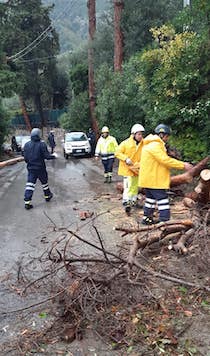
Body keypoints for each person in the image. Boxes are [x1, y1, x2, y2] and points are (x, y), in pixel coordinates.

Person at [139, 124, 193, 224]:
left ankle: (147, 219)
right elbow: (165, 160)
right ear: (161, 135)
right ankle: (165, 221)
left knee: (150, 199)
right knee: (163, 199)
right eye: (167, 136)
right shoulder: (155, 145)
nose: (167, 138)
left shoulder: (151, 144)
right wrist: (183, 165)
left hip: (149, 178)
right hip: (154, 179)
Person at [115, 124, 145, 214]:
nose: (140, 136)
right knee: (128, 186)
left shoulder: (143, 143)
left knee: (135, 186)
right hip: (127, 169)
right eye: (139, 134)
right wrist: (125, 158)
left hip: (136, 169)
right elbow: (117, 152)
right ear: (133, 134)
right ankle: (126, 202)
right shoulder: (126, 143)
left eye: (141, 134)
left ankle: (133, 201)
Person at [23, 128, 56, 210]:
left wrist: (30, 163)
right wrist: (54, 156)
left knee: (30, 185)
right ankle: (47, 196)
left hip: (31, 168)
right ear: (39, 135)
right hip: (40, 168)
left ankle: (27, 202)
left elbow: (25, 158)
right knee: (44, 183)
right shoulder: (42, 144)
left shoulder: (26, 145)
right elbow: (47, 156)